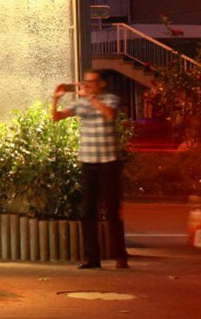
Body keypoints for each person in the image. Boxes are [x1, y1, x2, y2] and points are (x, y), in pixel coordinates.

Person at [52, 70, 129, 269]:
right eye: (85, 82)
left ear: (101, 84)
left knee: (112, 210)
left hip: (109, 161)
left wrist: (92, 98)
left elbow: (109, 115)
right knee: (87, 210)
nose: (86, 85)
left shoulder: (110, 99)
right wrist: (56, 99)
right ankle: (92, 258)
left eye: (91, 82)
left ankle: (120, 256)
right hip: (88, 162)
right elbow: (57, 117)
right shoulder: (81, 103)